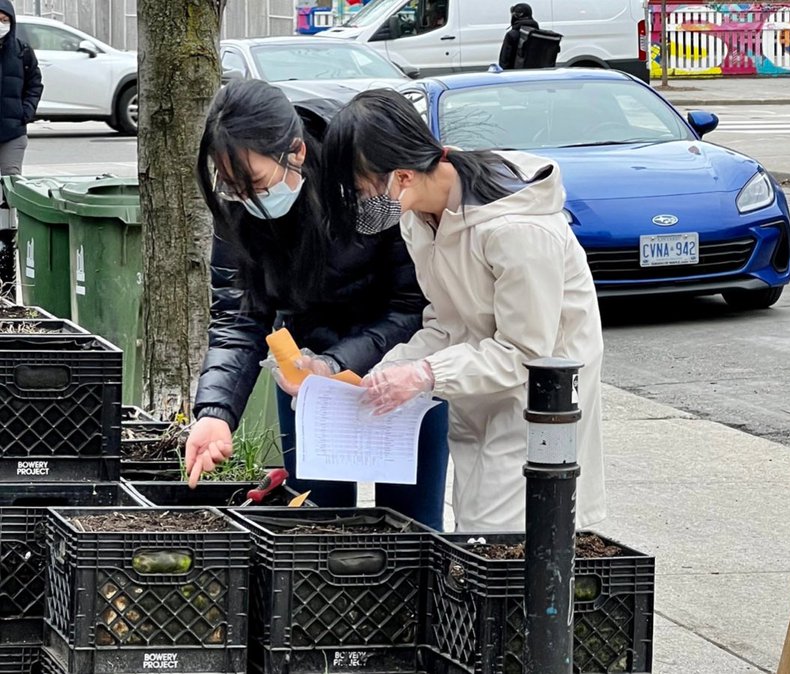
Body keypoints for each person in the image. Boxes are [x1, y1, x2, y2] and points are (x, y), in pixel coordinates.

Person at [322, 89, 606, 532]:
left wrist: (424, 375)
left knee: (511, 541)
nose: (359, 203)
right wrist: (382, 374)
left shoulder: (517, 229)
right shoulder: (421, 218)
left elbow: (526, 351)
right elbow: (446, 321)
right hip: (480, 390)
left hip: (543, 405)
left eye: (360, 189)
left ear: (402, 176)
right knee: (479, 534)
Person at [184, 79, 450, 530]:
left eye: (256, 183)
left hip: (401, 365)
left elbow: (415, 305)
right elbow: (238, 317)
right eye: (232, 186)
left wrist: (340, 362)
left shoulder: (366, 172)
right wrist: (216, 413)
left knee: (413, 530)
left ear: (297, 152)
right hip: (306, 376)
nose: (247, 198)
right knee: (314, 529)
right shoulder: (235, 199)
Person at [0, 2, 41, 177]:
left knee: (11, 179)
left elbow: (35, 84)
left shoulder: (22, 51)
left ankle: (8, 205)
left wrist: (25, 112)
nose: (1, 25)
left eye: (4, 20)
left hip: (13, 131)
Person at [498, 3, 539, 70]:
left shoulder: (512, 35)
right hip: (536, 74)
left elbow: (504, 61)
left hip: (516, 74)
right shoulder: (537, 34)